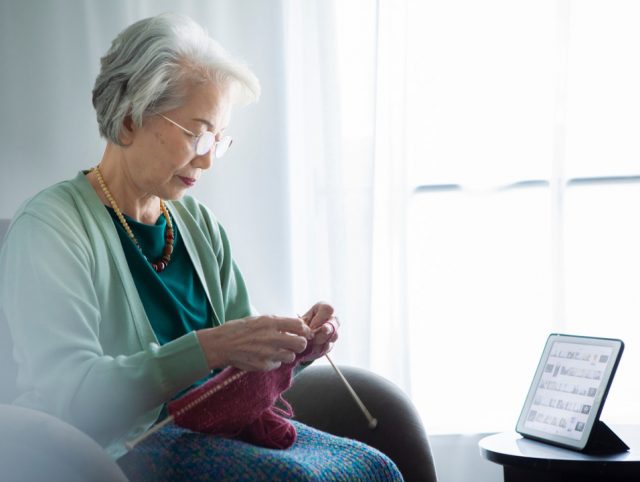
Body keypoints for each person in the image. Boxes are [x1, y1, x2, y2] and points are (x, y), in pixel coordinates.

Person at [0, 13, 402, 481]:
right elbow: (73, 399)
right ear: (130, 118)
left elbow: (242, 369)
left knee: (374, 467)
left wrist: (294, 345)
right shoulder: (51, 227)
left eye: (219, 137)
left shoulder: (196, 223)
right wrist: (209, 348)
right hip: (113, 451)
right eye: (197, 133)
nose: (209, 158)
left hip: (215, 434)